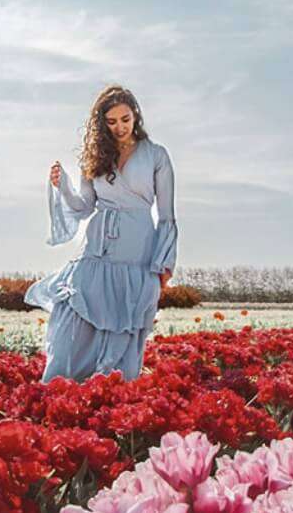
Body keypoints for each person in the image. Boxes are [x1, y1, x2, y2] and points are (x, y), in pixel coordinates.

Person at [24, 83, 178, 383]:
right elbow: (83, 207)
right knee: (72, 316)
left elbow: (167, 217)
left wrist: (163, 265)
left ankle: (108, 400)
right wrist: (63, 186)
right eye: (111, 121)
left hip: (138, 256)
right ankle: (61, 395)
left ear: (136, 115)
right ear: (101, 123)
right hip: (95, 251)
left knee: (122, 332)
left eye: (125, 119)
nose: (119, 127)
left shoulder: (156, 155)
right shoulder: (95, 156)